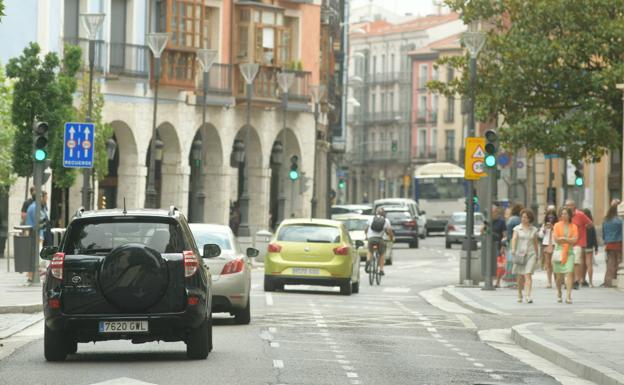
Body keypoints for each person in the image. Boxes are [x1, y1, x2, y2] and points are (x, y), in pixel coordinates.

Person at [510, 209, 539, 303]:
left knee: (528, 274)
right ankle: (519, 293)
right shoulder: (517, 228)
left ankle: (528, 295)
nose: (523, 219)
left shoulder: (534, 230)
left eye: (526, 217)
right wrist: (513, 249)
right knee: (520, 276)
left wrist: (537, 254)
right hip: (520, 254)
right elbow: (514, 239)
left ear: (530, 218)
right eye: (522, 217)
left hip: (531, 254)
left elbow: (535, 242)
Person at [564, 199, 593, 289]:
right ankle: (570, 280)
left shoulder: (580, 215)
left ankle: (577, 280)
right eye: (566, 205)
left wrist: (583, 229)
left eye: (569, 205)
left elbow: (590, 223)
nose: (567, 207)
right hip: (568, 242)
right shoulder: (564, 215)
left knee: (576, 261)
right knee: (569, 262)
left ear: (574, 206)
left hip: (579, 242)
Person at [553, 207, 578, 304]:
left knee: (570, 272)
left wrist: (563, 239)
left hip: (570, 253)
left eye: (566, 214)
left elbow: (575, 240)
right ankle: (559, 292)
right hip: (559, 252)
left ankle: (568, 296)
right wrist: (568, 240)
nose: (564, 215)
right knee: (559, 277)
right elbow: (556, 239)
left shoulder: (574, 226)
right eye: (562, 214)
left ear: (569, 215)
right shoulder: (556, 225)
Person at [24, 191, 49, 285]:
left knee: (35, 256)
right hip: (36, 235)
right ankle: (31, 276)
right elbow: (39, 223)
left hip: (36, 234)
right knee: (36, 256)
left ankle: (31, 276)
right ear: (41, 198)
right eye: (46, 198)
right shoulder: (35, 208)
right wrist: (40, 236)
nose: (46, 200)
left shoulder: (35, 207)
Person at [364, 208, 394, 276]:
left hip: (371, 239)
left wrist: (366, 236)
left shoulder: (371, 219)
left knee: (370, 250)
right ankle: (381, 270)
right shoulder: (386, 220)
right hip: (380, 239)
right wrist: (391, 238)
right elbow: (389, 231)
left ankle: (368, 260)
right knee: (382, 253)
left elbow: (366, 229)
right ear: (384, 214)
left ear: (376, 213)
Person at [601, 204, 622, 287]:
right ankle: (616, 279)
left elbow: (603, 233)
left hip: (608, 244)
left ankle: (608, 281)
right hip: (618, 243)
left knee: (610, 263)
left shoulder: (606, 220)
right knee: (618, 262)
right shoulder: (619, 221)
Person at [503, 203, 523, 288]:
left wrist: (506, 241)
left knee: (510, 261)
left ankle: (510, 280)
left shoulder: (510, 220)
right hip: (520, 242)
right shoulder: (520, 220)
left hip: (512, 242)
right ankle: (518, 280)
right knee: (518, 261)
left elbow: (509, 234)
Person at [538, 208, 557, 288]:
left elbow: (558, 235)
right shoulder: (544, 225)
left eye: (552, 217)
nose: (550, 219)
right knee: (548, 264)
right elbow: (540, 236)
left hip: (554, 245)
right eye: (549, 217)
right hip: (546, 245)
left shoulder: (557, 224)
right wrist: (544, 230)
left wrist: (553, 228)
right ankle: (549, 282)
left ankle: (557, 280)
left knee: (555, 264)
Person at [583, 208, 598, 287]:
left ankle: (581, 280)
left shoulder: (581, 225)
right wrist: (596, 247)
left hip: (582, 245)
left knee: (582, 264)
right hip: (589, 246)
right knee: (589, 264)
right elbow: (594, 237)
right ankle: (591, 282)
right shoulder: (591, 225)